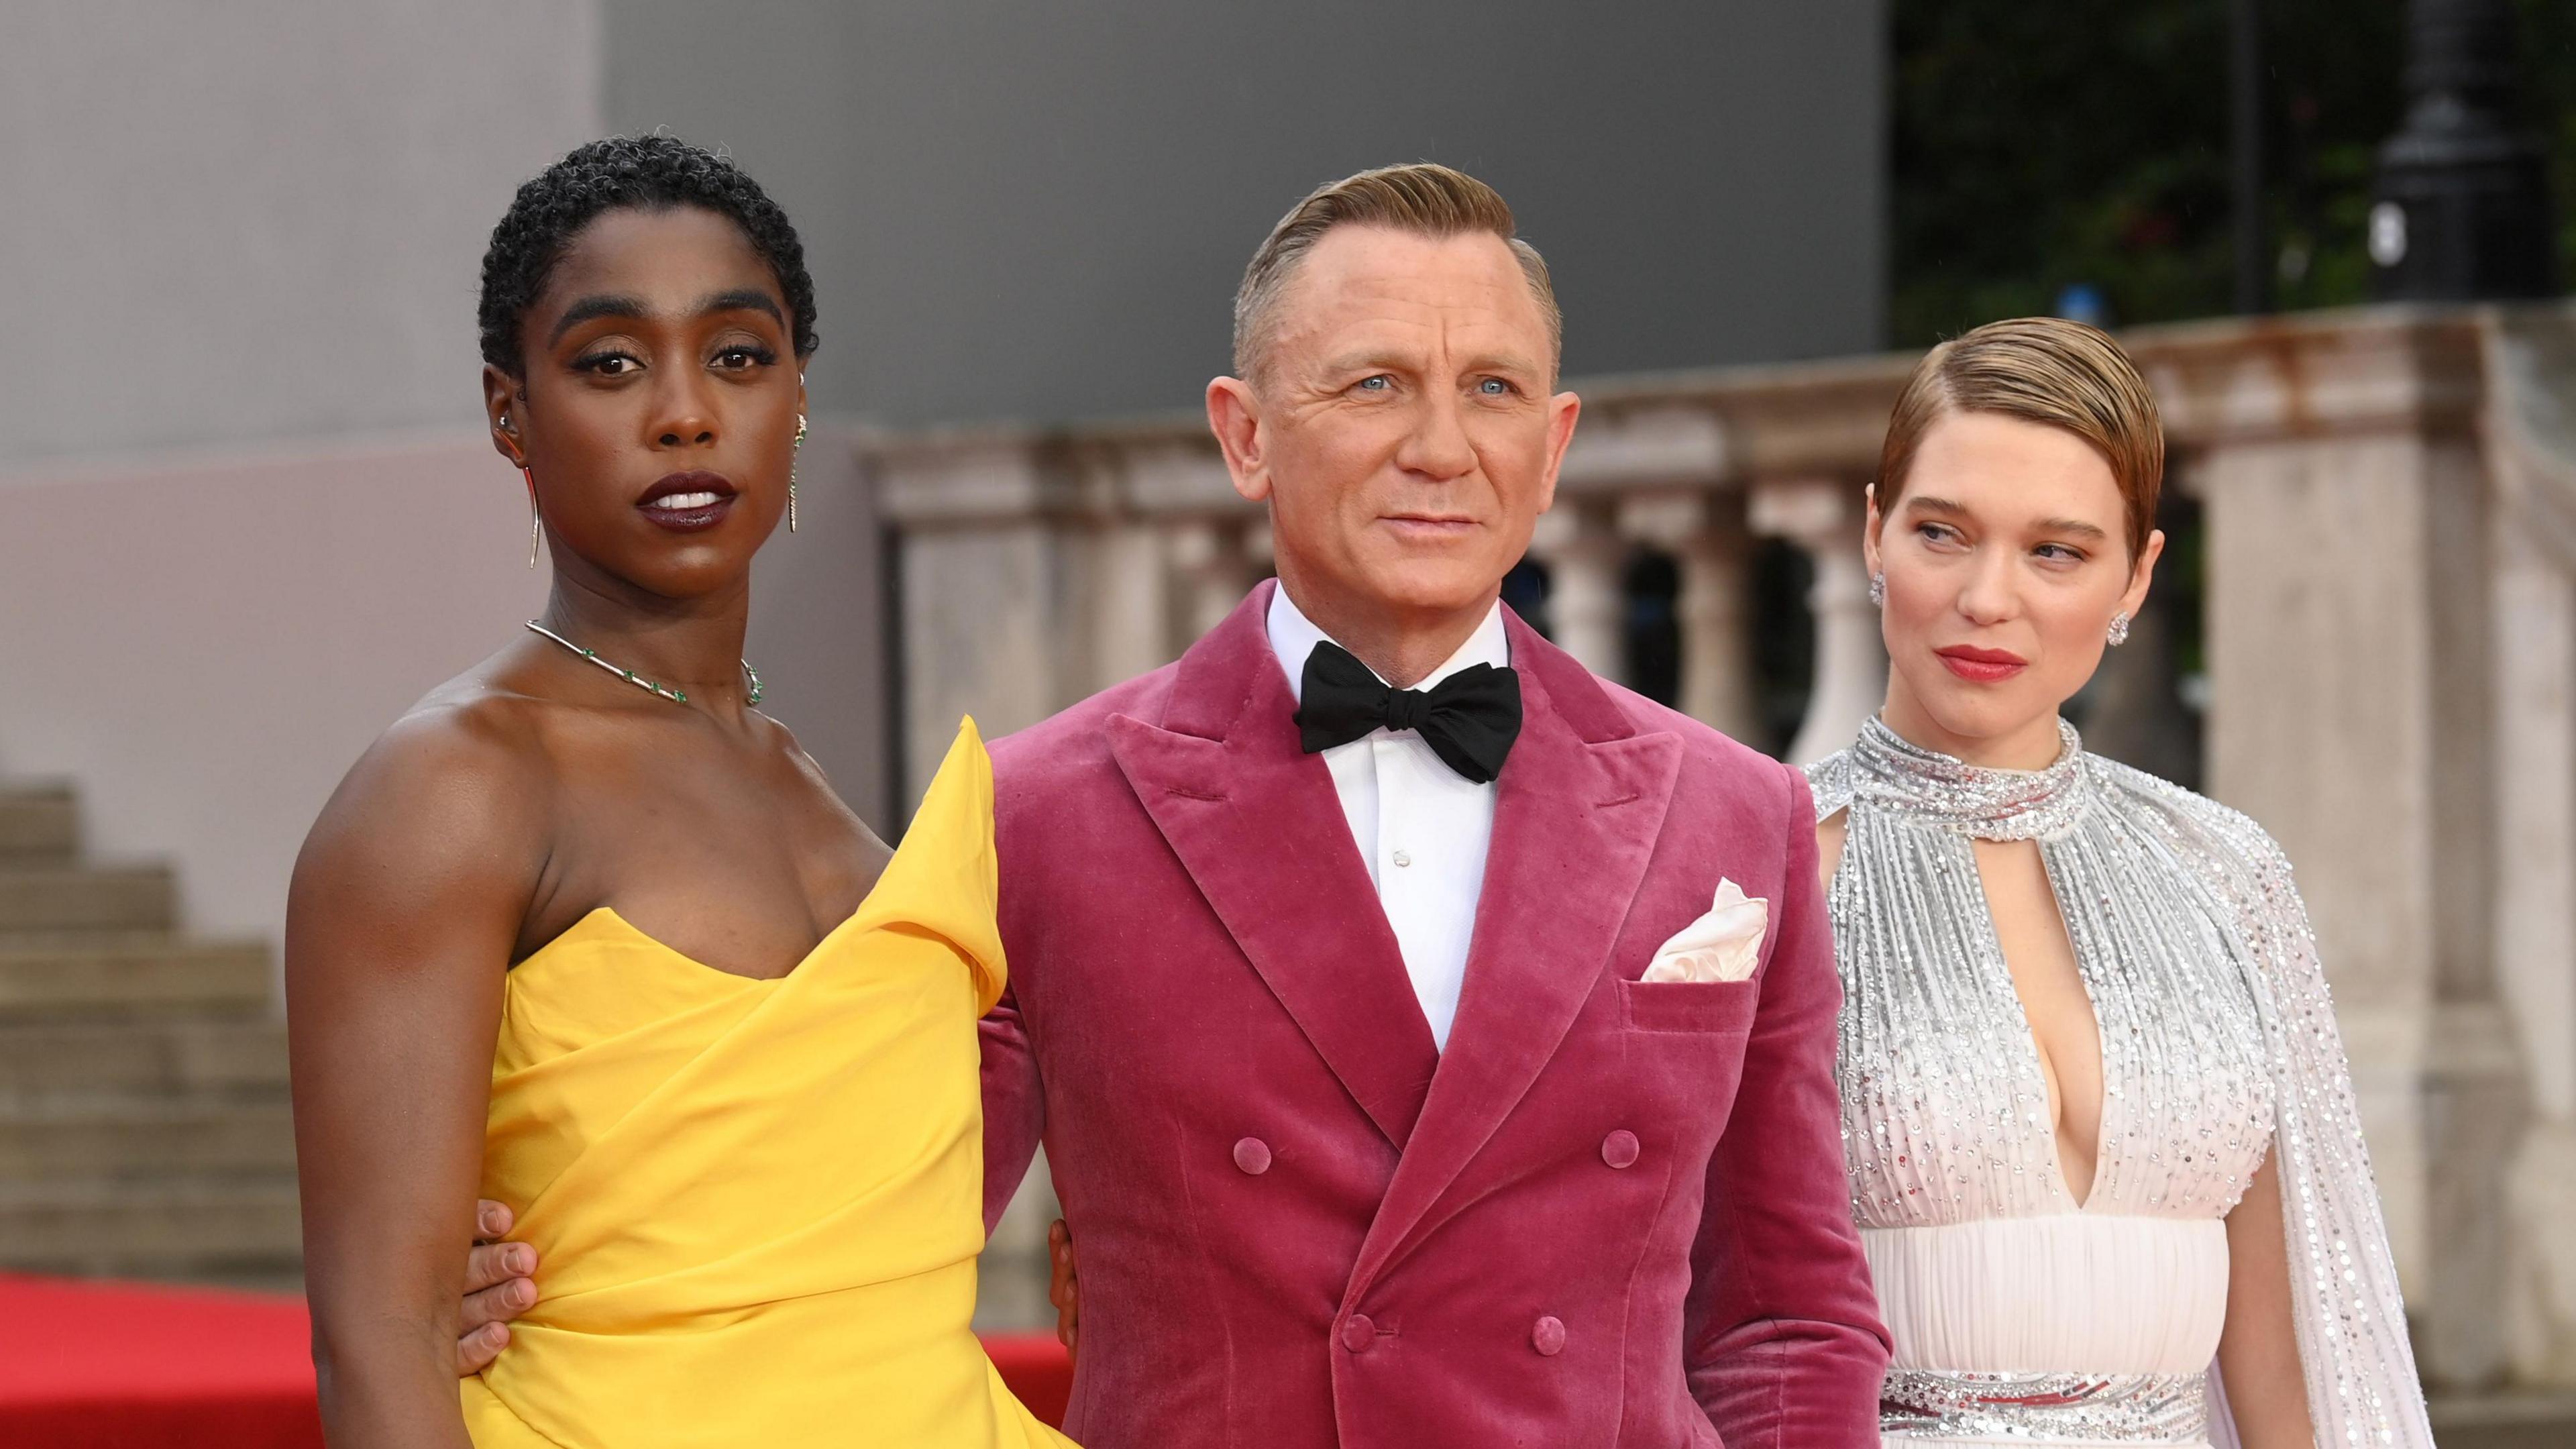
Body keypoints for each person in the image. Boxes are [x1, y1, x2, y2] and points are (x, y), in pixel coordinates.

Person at [286, 135, 1070, 1449]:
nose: (685, 412)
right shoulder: (457, 788)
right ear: (508, 410)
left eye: (739, 355)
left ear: (797, 396)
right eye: (609, 363)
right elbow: (386, 1336)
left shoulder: (817, 794)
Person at [1805, 317, 2432, 1446]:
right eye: (1943, 533)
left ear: (2136, 573)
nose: (1989, 599)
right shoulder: (1766, 869)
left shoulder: (2223, 874)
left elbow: (2287, 1356)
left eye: (2057, 551)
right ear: (1873, 535)